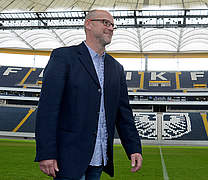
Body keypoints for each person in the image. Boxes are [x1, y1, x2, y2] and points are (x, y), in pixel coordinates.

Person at [34, 9, 142, 180]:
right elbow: (48, 109)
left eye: (113, 25)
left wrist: (133, 148)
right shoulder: (63, 57)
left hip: (99, 159)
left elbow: (124, 115)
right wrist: (46, 152)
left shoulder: (116, 68)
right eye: (106, 23)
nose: (111, 28)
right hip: (68, 159)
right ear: (88, 24)